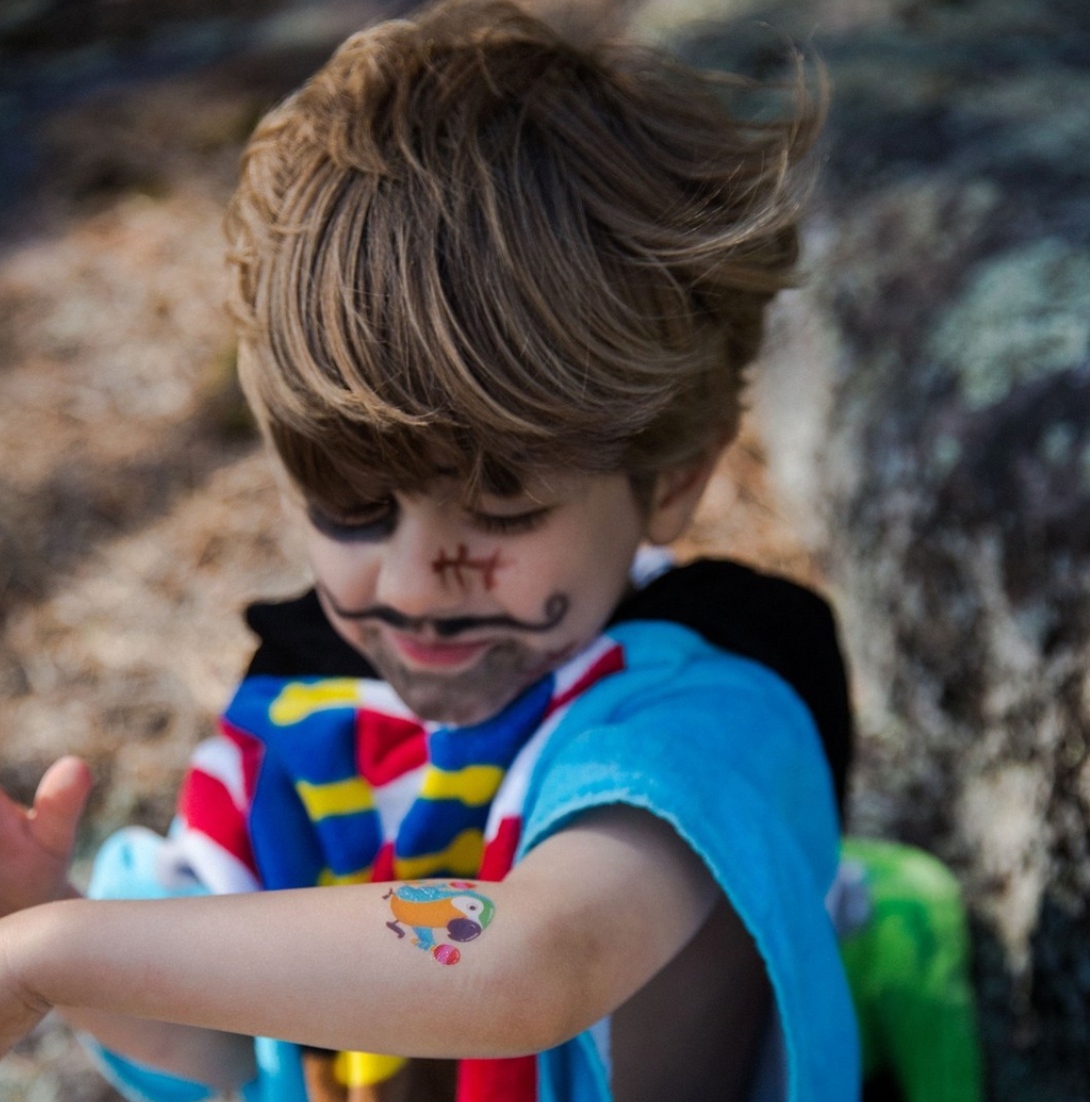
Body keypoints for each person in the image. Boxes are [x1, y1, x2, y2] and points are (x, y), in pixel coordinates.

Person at [0, 2, 860, 1099]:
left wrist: (56, 955)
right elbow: (214, 1046)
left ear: (675, 473)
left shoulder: (702, 712)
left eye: (502, 518)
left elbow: (533, 961)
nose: (412, 584)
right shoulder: (305, 718)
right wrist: (49, 926)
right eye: (353, 510)